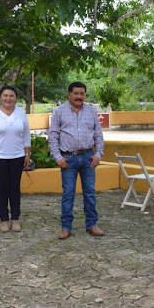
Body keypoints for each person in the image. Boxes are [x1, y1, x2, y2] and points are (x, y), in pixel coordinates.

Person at [49, 81, 104, 239]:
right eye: (76, 93)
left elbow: (98, 134)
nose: (79, 97)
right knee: (68, 194)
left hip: (88, 158)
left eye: (82, 94)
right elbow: (53, 136)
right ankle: (66, 227)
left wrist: (98, 154)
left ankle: (92, 225)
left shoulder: (91, 111)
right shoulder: (59, 111)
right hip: (68, 159)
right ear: (69, 94)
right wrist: (58, 157)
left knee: (90, 193)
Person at [0, 86, 31, 233]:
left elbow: (26, 135)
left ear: (16, 98)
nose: (8, 98)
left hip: (17, 156)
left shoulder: (21, 113)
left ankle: (15, 219)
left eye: (12, 96)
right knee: (2, 188)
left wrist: (27, 154)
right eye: (5, 95)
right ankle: (3, 219)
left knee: (15, 188)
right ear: (0, 98)